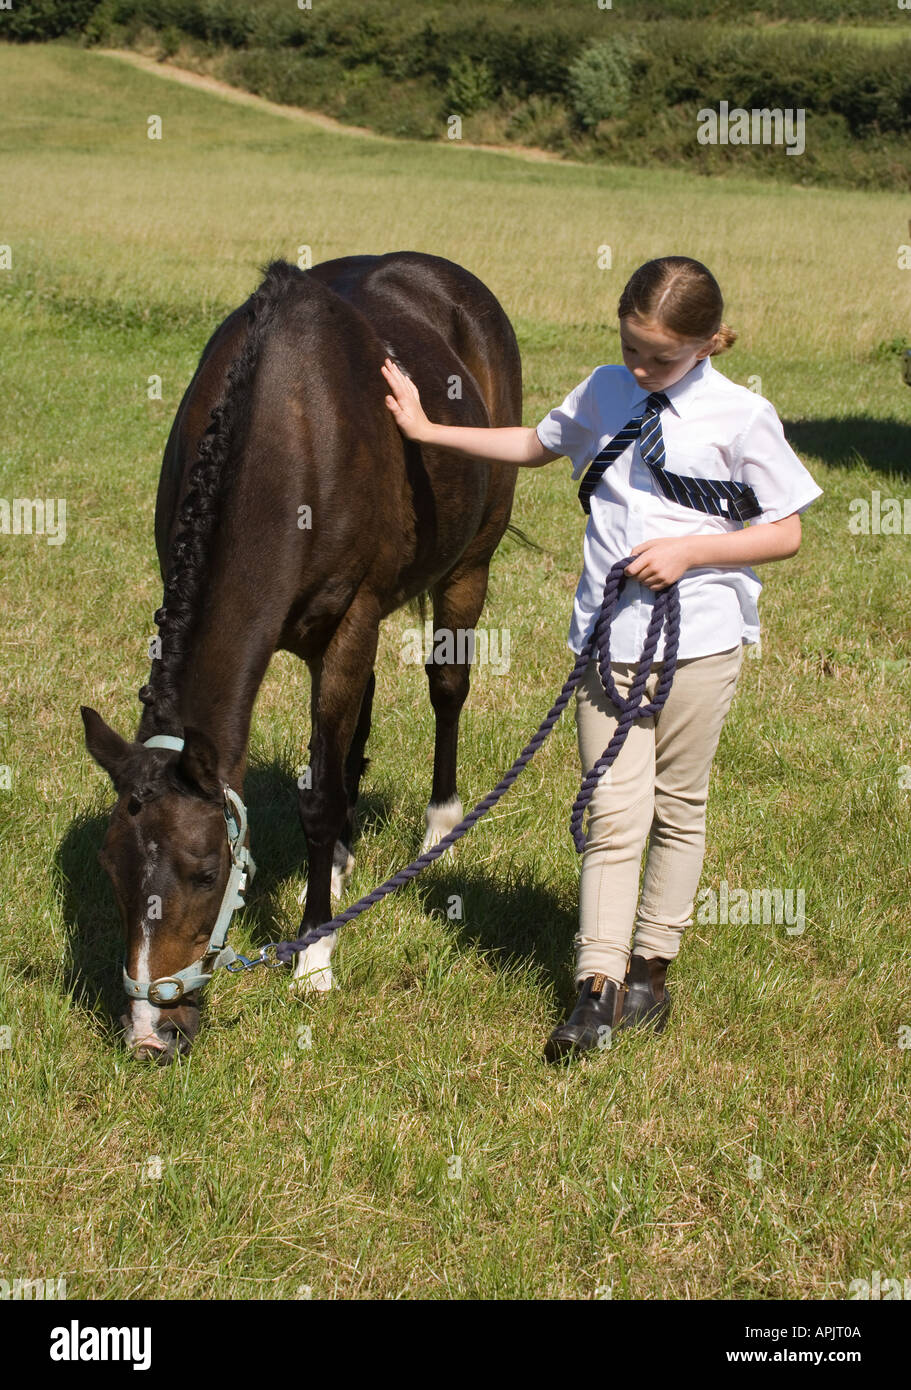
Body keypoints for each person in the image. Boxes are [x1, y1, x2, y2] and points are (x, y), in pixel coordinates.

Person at [381, 255, 822, 1062]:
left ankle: (650, 967)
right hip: (604, 641)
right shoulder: (605, 390)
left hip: (700, 644)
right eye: (631, 349)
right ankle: (596, 990)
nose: (641, 369)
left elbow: (786, 529)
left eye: (661, 357)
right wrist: (425, 428)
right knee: (610, 817)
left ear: (707, 343)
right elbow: (534, 443)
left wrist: (692, 553)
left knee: (677, 806)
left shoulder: (740, 415)